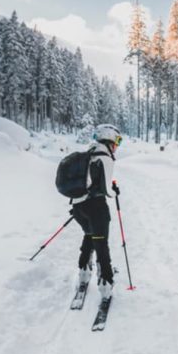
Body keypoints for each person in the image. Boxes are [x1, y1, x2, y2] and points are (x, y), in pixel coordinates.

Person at [71, 123, 122, 297]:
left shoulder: (89, 153)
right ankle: (106, 283)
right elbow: (107, 190)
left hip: (78, 207)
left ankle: (84, 274)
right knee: (101, 243)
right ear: (108, 138)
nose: (117, 146)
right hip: (96, 209)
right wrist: (115, 192)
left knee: (89, 235)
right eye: (117, 140)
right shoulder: (105, 157)